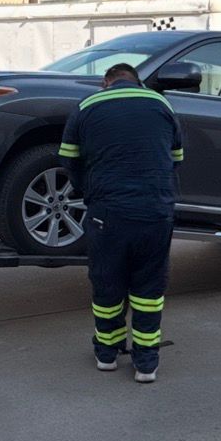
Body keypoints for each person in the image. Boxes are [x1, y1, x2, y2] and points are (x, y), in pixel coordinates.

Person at [58, 62, 184, 383]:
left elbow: (68, 158)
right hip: (155, 213)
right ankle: (146, 364)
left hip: (107, 213)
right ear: (137, 82)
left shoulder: (87, 105)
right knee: (149, 288)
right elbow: (177, 158)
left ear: (106, 82)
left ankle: (107, 354)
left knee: (107, 282)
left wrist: (88, 190)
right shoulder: (161, 103)